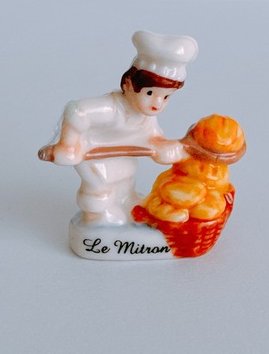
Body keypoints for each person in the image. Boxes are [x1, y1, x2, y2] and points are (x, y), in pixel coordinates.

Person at [38, 31, 198, 225]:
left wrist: (163, 147)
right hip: (94, 160)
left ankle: (125, 203)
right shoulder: (111, 108)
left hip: (123, 161)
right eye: (149, 93)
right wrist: (68, 144)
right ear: (128, 84)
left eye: (166, 97)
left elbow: (154, 138)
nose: (157, 103)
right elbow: (76, 111)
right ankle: (97, 222)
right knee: (98, 190)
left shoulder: (146, 115)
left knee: (125, 186)